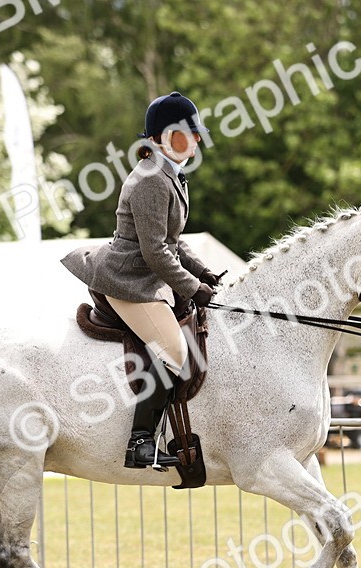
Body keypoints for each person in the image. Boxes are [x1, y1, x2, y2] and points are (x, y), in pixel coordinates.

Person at [60, 91, 219, 469]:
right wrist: (193, 289)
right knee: (177, 353)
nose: (197, 140)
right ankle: (140, 442)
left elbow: (173, 243)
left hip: (146, 278)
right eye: (189, 133)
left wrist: (203, 271)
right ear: (165, 137)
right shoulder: (151, 179)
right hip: (127, 280)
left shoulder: (170, 175)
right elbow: (155, 253)